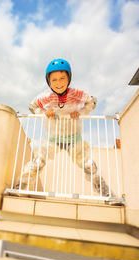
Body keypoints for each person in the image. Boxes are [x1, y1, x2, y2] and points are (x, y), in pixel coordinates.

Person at [17, 58, 110, 197]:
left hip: (74, 139)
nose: (58, 83)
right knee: (38, 161)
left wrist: (79, 112)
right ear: (49, 82)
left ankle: (104, 191)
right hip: (52, 139)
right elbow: (32, 106)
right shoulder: (46, 97)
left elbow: (92, 102)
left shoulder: (77, 93)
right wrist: (43, 112)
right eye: (54, 80)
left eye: (62, 78)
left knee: (88, 164)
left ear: (69, 78)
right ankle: (20, 186)